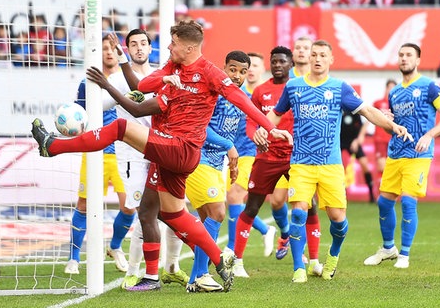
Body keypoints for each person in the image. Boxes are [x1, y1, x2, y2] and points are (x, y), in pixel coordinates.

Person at [31, 20, 292, 292]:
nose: (168, 46)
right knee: (174, 214)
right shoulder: (173, 67)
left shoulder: (210, 73)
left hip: (184, 148)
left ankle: (53, 146)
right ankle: (219, 260)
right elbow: (144, 84)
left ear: (190, 47)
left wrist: (270, 128)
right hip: (170, 149)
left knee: (120, 128)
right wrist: (163, 78)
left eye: (174, 43)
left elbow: (241, 99)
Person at [263, 39, 411, 283]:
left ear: (331, 60)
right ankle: (299, 268)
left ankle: (333, 254)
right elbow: (275, 114)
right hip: (301, 163)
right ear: (309, 58)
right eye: (315, 54)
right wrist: (264, 128)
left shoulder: (340, 87)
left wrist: (392, 126)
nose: (318, 58)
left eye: (323, 55)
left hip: (331, 165)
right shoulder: (294, 87)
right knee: (298, 213)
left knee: (338, 221)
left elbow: (368, 111)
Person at [104, 29, 189, 291]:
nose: (139, 48)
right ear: (126, 50)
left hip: (164, 151)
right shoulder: (118, 78)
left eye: (143, 43)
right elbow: (100, 107)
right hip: (134, 155)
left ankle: (172, 267)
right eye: (133, 44)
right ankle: (133, 271)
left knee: (174, 209)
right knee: (144, 212)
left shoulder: (162, 76)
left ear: (151, 48)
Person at [363, 43, 440, 269]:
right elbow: (393, 128)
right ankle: (388, 248)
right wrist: (388, 122)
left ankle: (404, 254)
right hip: (395, 153)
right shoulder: (394, 93)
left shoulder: (429, 86)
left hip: (418, 155)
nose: (404, 58)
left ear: (418, 60)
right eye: (401, 55)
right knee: (384, 202)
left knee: (407, 201)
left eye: (409, 55)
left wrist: (429, 135)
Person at [64, 35, 130, 276]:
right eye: (104, 49)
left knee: (130, 206)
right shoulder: (87, 83)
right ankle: (73, 258)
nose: (109, 53)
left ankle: (115, 246)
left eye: (113, 48)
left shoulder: (127, 81)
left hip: (124, 151)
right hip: (95, 152)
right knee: (83, 204)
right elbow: (78, 115)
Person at [185, 50, 250, 292]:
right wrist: (228, 146)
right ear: (224, 68)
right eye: (232, 69)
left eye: (242, 72)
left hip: (216, 164)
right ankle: (200, 274)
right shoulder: (214, 94)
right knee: (218, 213)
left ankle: (195, 279)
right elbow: (201, 127)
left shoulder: (242, 97)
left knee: (206, 224)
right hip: (198, 159)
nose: (237, 75)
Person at [232, 46, 294, 277]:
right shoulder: (261, 91)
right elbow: (251, 122)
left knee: (302, 206)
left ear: (291, 64)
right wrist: (254, 134)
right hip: (266, 156)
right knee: (252, 206)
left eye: (282, 61)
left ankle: (304, 257)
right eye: (274, 61)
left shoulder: (297, 88)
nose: (277, 65)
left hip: (293, 156)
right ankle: (237, 260)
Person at [225, 51, 276, 264]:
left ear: (262, 69)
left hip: (250, 154)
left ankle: (231, 250)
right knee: (227, 201)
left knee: (234, 197)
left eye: (256, 65)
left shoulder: (265, 96)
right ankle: (266, 229)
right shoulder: (235, 92)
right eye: (249, 66)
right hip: (229, 154)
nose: (252, 70)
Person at [288, 36, 323, 276]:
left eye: (306, 49)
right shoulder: (286, 79)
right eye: (298, 48)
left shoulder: (319, 80)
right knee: (282, 202)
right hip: (285, 149)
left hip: (311, 150)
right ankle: (284, 233)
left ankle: (313, 259)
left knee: (311, 205)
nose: (302, 52)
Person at [340, 110, 376, 203]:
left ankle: (372, 195)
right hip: (339, 142)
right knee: (338, 168)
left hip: (353, 141)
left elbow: (361, 126)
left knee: (365, 165)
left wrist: (357, 140)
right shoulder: (337, 110)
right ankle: (339, 195)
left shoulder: (354, 111)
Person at [372, 79, 397, 189]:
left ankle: (389, 192)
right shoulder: (378, 103)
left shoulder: (398, 104)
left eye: (393, 88)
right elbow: (370, 117)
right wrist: (362, 134)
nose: (391, 90)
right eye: (389, 87)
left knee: (392, 168)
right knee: (381, 166)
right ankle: (380, 194)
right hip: (380, 138)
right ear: (386, 89)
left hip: (393, 139)